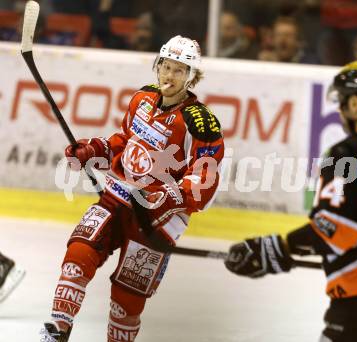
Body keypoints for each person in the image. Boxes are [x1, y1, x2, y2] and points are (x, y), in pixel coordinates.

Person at [224, 60, 357, 341]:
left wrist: (278, 249)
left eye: (341, 102)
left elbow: (335, 230)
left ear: (354, 104)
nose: (339, 110)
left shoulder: (347, 153)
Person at [39, 35, 224, 341]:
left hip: (158, 220)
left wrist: (165, 197)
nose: (170, 75)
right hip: (116, 196)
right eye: (166, 66)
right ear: (157, 66)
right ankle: (57, 331)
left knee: (127, 300)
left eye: (179, 70)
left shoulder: (200, 122)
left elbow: (206, 178)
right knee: (78, 254)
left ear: (192, 77)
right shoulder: (142, 99)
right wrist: (94, 149)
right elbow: (124, 142)